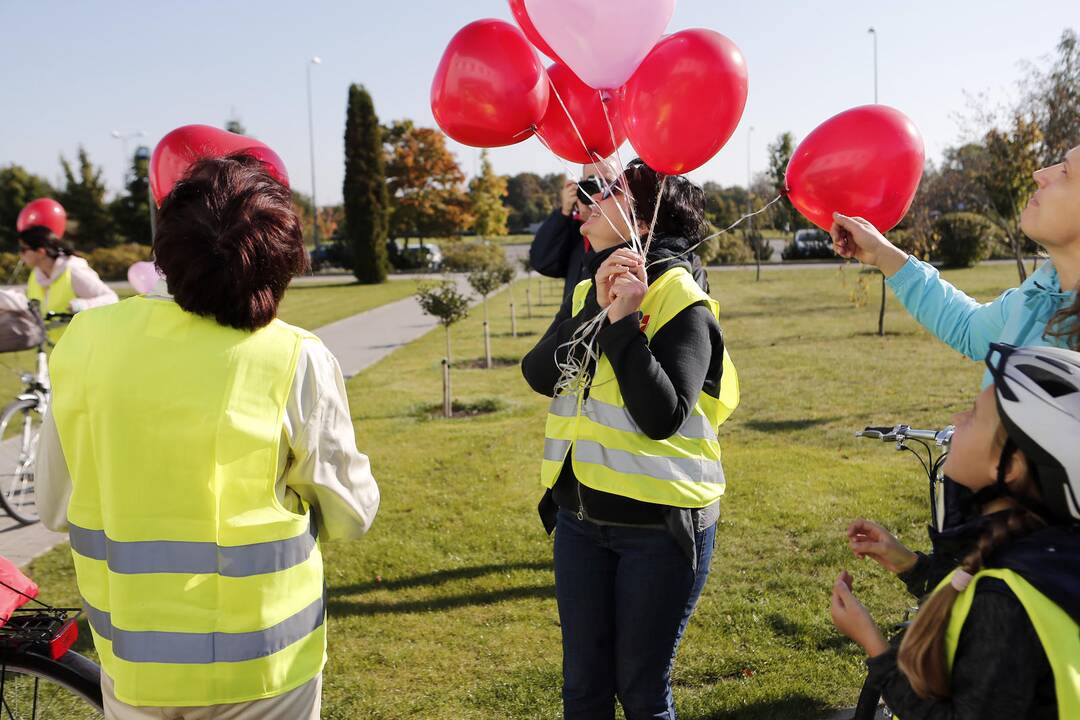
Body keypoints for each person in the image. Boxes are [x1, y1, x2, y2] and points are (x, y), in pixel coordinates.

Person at [36, 154, 380, 719]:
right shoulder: (293, 356)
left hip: (136, 663)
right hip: (266, 667)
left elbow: (54, 507)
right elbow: (351, 514)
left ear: (166, 246)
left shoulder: (87, 340)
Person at [521, 159, 740, 719]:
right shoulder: (593, 281)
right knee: (583, 689)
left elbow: (662, 415)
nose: (584, 198)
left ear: (642, 219)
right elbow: (541, 373)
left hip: (660, 532)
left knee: (641, 691)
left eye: (603, 188)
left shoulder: (679, 297)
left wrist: (623, 326)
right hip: (580, 522)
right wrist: (596, 308)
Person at [830, 343, 1080, 719]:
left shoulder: (1005, 604)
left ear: (1011, 465)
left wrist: (874, 645)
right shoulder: (1044, 553)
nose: (956, 417)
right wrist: (910, 565)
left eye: (975, 415)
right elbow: (971, 596)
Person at [829, 143, 1080, 383]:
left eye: (1066, 172)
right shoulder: (1044, 287)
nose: (1039, 174)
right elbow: (969, 330)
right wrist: (882, 253)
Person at [530, 163, 711, 306]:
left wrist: (621, 326)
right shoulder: (574, 234)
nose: (596, 194)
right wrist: (564, 213)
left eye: (610, 185)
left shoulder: (675, 271)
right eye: (587, 184)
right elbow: (543, 262)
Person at [16, 225, 117, 313]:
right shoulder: (35, 275)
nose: (20, 254)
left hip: (77, 335)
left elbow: (111, 299)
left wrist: (83, 305)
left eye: (23, 249)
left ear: (41, 252)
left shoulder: (74, 271)